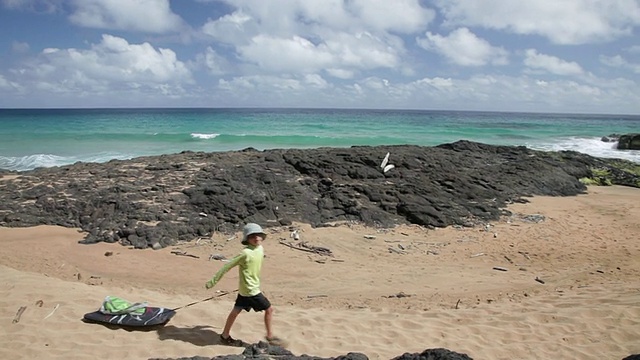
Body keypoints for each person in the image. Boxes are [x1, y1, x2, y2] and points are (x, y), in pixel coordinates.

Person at [205, 223, 285, 347]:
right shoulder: (245, 253)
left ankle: (224, 336)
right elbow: (227, 266)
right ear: (247, 239)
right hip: (250, 290)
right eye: (252, 236)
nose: (256, 238)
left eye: (258, 235)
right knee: (269, 309)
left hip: (245, 289)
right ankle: (270, 336)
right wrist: (213, 281)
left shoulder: (260, 248)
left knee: (236, 310)